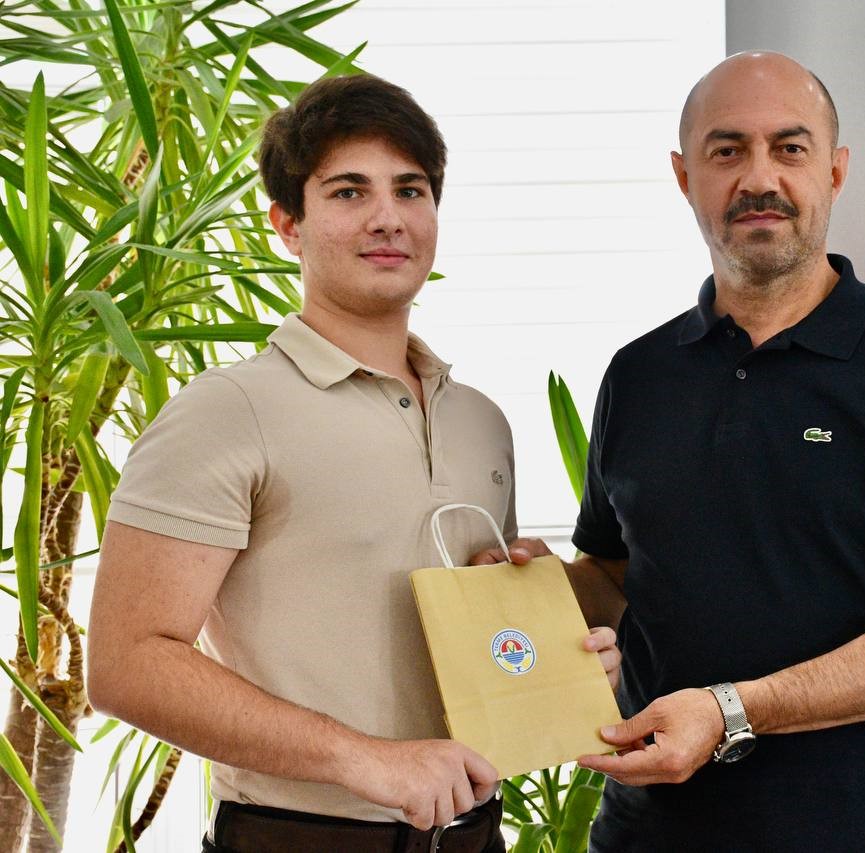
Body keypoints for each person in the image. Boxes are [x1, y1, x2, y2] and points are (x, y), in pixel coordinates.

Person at [482, 52, 865, 850]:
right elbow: (619, 576)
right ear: (684, 175)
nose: (759, 178)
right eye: (727, 150)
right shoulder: (639, 373)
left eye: (789, 148)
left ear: (835, 171)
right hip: (652, 834)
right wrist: (529, 587)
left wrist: (731, 709)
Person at [86, 74, 619, 853]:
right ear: (287, 224)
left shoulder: (481, 422)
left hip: (478, 838)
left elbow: (465, 651)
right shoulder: (227, 410)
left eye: (410, 189)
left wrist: (558, 654)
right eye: (348, 192)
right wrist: (364, 760)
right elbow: (127, 665)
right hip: (296, 840)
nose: (387, 217)